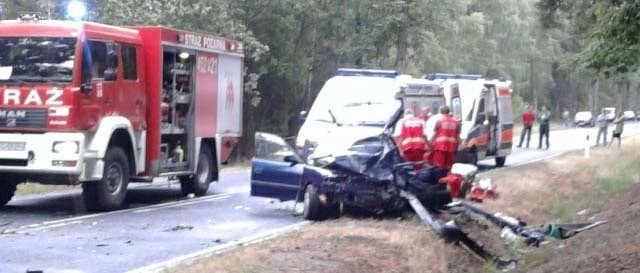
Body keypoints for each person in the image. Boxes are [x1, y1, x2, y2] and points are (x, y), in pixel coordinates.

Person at [430, 106, 461, 172]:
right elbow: (457, 136)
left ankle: (439, 180)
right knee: (449, 166)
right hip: (451, 148)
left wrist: (430, 144)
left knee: (439, 166)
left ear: (440, 112)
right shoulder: (455, 122)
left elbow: (434, 135)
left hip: (440, 147)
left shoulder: (439, 121)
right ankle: (447, 180)